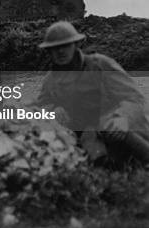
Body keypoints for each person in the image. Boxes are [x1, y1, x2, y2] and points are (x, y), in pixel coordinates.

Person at [36, 21, 149, 166]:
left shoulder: (101, 65)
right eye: (54, 48)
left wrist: (123, 118)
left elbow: (135, 98)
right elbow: (40, 107)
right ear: (49, 51)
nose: (60, 52)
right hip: (85, 136)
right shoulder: (50, 79)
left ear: (76, 45)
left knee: (109, 128)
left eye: (65, 45)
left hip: (119, 129)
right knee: (91, 145)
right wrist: (53, 110)